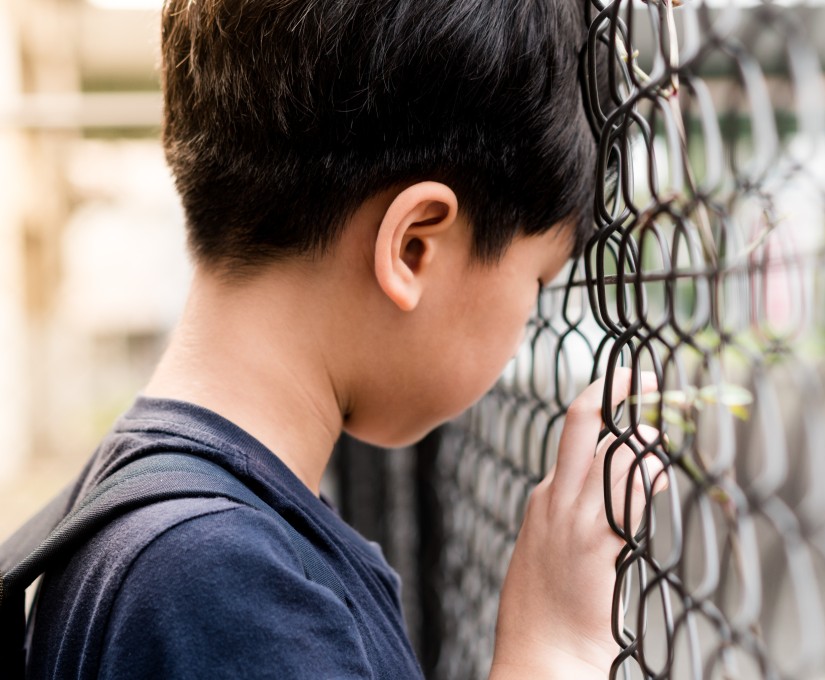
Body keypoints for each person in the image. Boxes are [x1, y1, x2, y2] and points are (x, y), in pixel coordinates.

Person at [26, 0, 663, 677]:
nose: (528, 320)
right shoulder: (224, 589)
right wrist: (552, 651)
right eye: (537, 282)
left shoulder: (175, 524)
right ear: (415, 246)